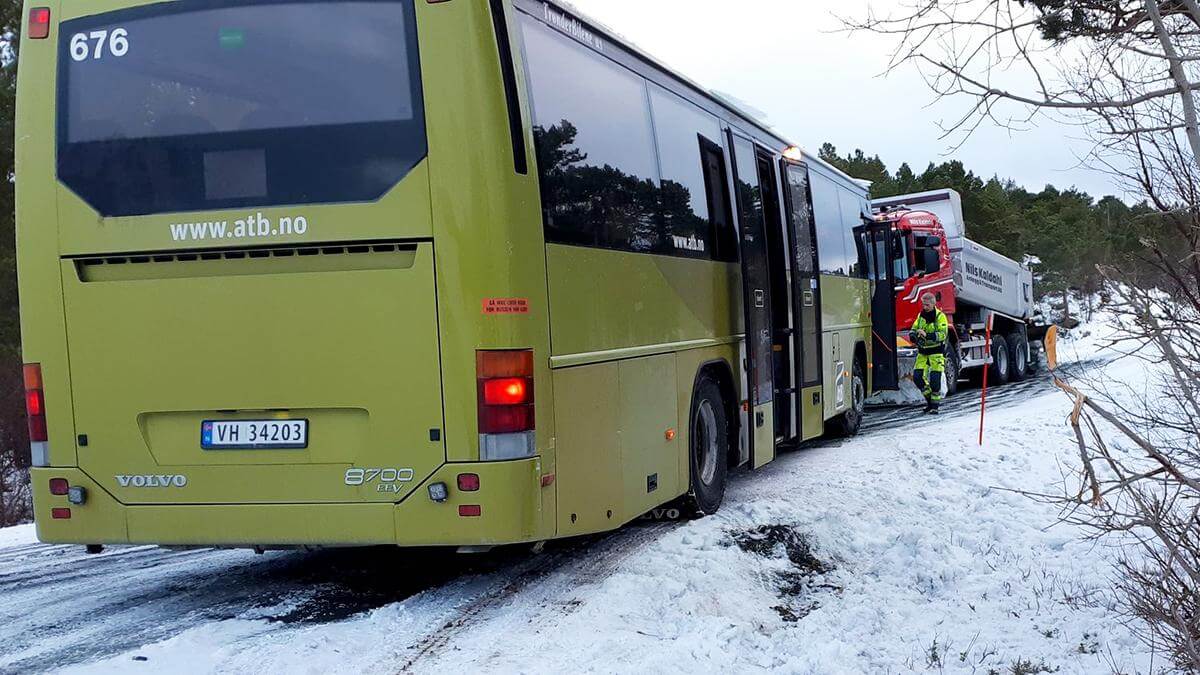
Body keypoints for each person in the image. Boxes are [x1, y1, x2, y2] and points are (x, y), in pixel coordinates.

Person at [910, 293, 949, 414]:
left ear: (933, 304)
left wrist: (927, 336)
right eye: (923, 304)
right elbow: (914, 327)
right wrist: (913, 335)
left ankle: (935, 407)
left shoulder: (940, 317)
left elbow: (943, 334)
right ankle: (929, 402)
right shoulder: (920, 316)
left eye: (927, 305)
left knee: (935, 380)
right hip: (923, 353)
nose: (925, 307)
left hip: (936, 353)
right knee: (917, 377)